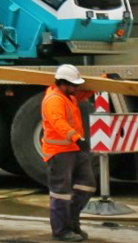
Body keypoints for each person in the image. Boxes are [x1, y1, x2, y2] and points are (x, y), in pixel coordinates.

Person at [42, 63, 97, 242]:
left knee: (87, 185)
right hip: (59, 152)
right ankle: (61, 231)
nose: (77, 88)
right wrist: (76, 138)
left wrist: (105, 80)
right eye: (74, 85)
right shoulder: (54, 100)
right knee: (61, 193)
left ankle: (71, 222)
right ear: (63, 83)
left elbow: (82, 94)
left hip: (73, 149)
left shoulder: (68, 95)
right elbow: (58, 122)